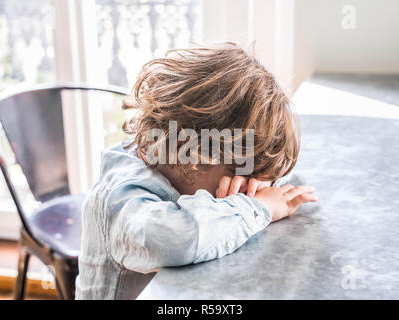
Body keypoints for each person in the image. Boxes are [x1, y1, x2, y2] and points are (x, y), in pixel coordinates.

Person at [76, 43, 318, 299]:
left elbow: (275, 169)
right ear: (186, 151)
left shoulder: (171, 159)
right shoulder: (121, 199)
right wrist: (257, 208)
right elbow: (178, 239)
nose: (244, 186)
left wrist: (261, 187)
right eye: (240, 174)